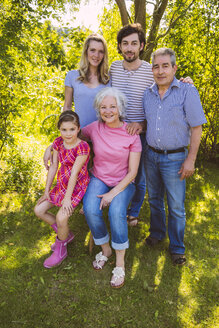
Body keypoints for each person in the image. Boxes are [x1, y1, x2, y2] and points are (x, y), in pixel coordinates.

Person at [110, 23, 193, 226]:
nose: (129, 48)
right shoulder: (113, 68)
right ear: (120, 46)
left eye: (134, 43)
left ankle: (134, 210)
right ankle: (113, 203)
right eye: (125, 44)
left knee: (139, 177)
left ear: (141, 46)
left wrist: (186, 82)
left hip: (142, 132)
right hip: (116, 131)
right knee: (116, 172)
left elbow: (166, 89)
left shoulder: (151, 70)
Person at [143, 48, 207, 265]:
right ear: (152, 68)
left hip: (175, 159)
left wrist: (191, 159)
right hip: (150, 156)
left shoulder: (187, 91)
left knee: (176, 206)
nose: (160, 71)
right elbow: (149, 123)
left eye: (165, 66)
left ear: (174, 68)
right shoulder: (148, 94)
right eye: (156, 66)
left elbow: (197, 127)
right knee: (154, 199)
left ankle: (177, 247)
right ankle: (157, 234)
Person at [82, 87, 141, 288]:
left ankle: (120, 263)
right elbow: (71, 136)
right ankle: (105, 249)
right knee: (90, 209)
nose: (108, 111)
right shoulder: (93, 128)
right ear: (99, 109)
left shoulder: (131, 134)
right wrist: (51, 147)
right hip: (99, 177)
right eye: (103, 107)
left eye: (112, 107)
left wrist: (112, 194)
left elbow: (133, 172)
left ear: (120, 108)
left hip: (123, 182)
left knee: (116, 211)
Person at [43, 33, 110, 170]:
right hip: (78, 138)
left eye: (100, 51)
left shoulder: (109, 79)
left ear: (104, 55)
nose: (96, 55)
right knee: (75, 181)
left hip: (102, 139)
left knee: (97, 183)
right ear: (86, 51)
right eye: (92, 50)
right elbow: (67, 107)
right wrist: (62, 138)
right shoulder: (72, 76)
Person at [34, 111, 90, 268]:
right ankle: (66, 234)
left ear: (78, 128)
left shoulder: (83, 147)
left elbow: (74, 174)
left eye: (72, 129)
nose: (68, 134)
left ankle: (61, 249)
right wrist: (46, 191)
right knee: (39, 210)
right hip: (62, 184)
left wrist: (67, 198)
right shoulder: (58, 143)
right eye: (64, 130)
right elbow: (53, 167)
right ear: (59, 130)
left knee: (61, 218)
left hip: (76, 186)